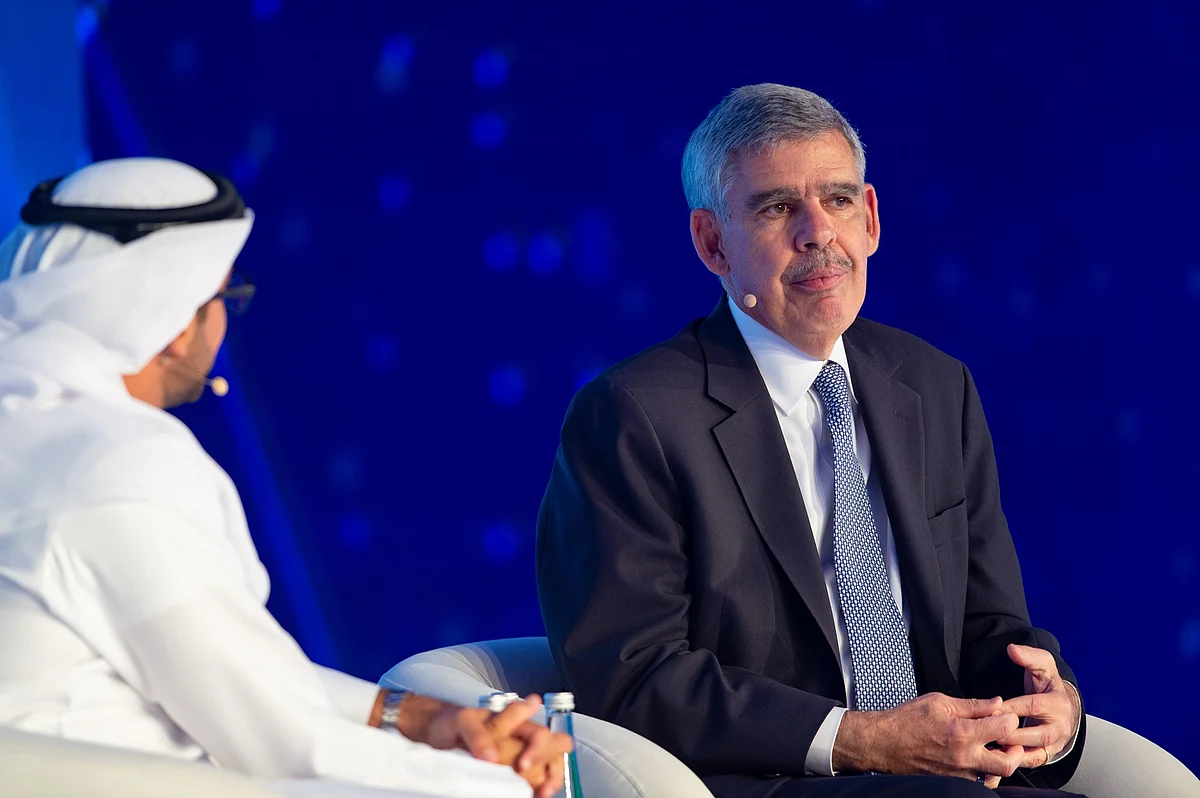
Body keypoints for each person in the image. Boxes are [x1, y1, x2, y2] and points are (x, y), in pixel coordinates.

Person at [536, 84, 1085, 798]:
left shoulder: (936, 385)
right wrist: (864, 740)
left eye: (839, 200)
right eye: (775, 208)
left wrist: (1049, 702)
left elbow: (988, 623)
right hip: (774, 781)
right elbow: (633, 678)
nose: (817, 233)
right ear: (712, 243)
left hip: (948, 776)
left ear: (872, 219)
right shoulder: (631, 416)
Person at [0, 157, 570, 798]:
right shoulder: (116, 466)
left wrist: (425, 719)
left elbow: (231, 671)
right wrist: (491, 772)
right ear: (177, 322)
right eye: (224, 298)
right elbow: (282, 742)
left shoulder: (26, 424)